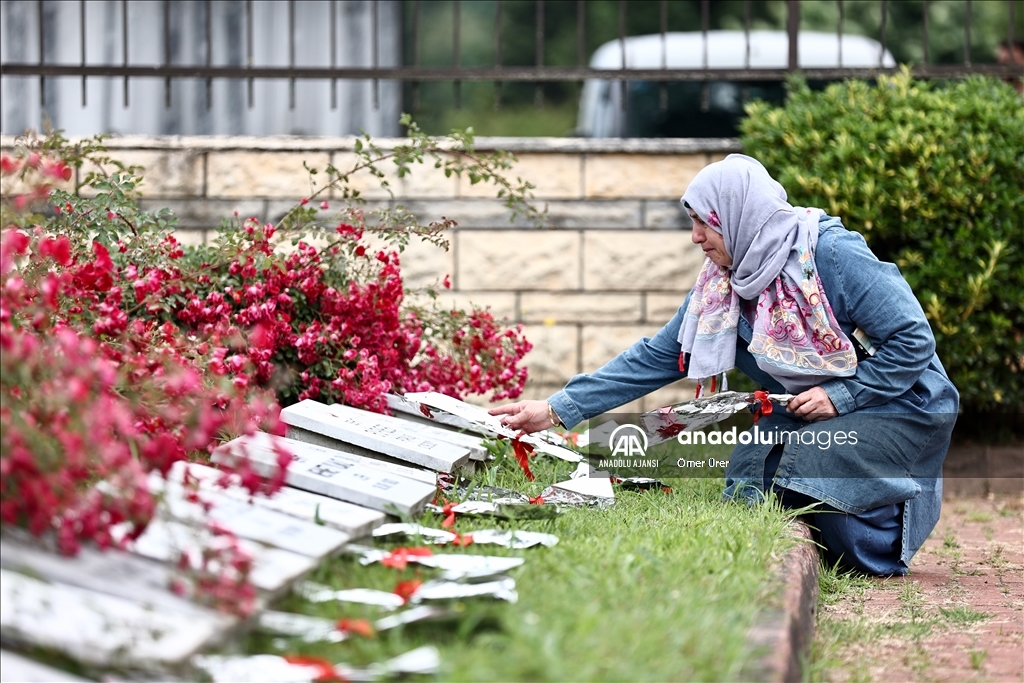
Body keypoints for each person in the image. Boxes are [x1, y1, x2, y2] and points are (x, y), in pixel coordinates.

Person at [489, 154, 959, 576]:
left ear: (736, 216)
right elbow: (656, 355)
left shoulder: (830, 254)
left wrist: (842, 395)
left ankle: (882, 524)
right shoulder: (722, 286)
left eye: (703, 223)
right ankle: (831, 518)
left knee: (808, 459)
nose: (695, 237)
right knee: (753, 463)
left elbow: (912, 340)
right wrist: (555, 410)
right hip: (817, 409)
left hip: (899, 401)